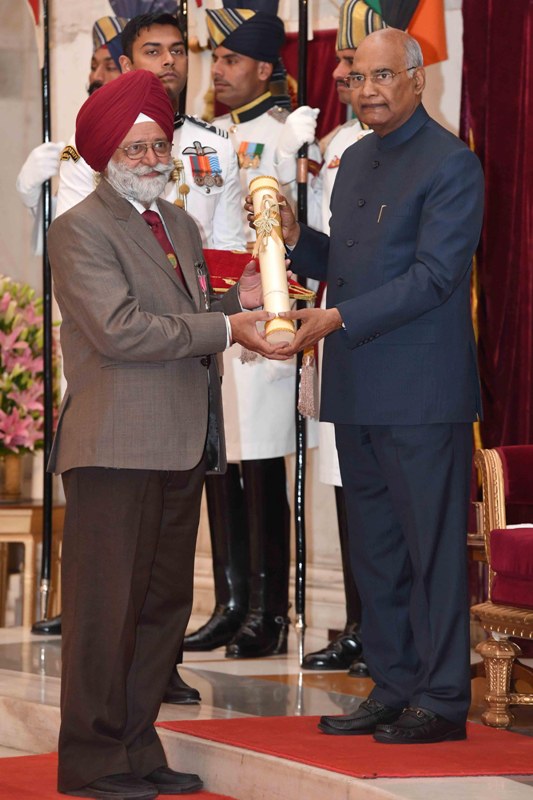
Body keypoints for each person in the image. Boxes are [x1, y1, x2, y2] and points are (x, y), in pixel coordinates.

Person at [48, 69, 284, 799]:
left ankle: (137, 744)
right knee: (104, 612)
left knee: (159, 611)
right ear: (105, 154)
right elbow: (119, 330)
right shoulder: (78, 229)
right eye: (137, 149)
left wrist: (234, 297)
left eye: (160, 146)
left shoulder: (177, 223)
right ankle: (92, 761)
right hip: (114, 448)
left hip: (183, 440)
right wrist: (224, 323)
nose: (153, 161)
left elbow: (181, 308)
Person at [263, 28, 484, 743]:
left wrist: (334, 317)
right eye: (356, 79)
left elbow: (432, 277)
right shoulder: (352, 160)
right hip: (354, 383)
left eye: (382, 77)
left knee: (431, 550)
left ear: (418, 79)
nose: (367, 92)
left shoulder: (452, 165)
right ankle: (391, 686)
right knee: (375, 552)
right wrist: (297, 239)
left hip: (421, 393)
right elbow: (351, 262)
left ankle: (443, 697)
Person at [181, 3, 320, 659]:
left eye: (231, 58)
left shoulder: (287, 132)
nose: (220, 70)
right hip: (218, 312)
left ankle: (271, 610)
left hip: (268, 307)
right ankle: (231, 600)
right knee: (223, 456)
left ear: (265, 66)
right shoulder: (208, 136)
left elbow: (304, 231)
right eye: (216, 58)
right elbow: (203, 225)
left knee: (263, 458)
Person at [302, 0, 384, 677]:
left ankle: (384, 631)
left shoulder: (429, 150)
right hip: (336, 339)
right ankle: (359, 623)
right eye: (346, 69)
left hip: (386, 348)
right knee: (343, 486)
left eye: (362, 69)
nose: (351, 82)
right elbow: (337, 254)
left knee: (389, 506)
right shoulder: (332, 148)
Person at [56, 12, 244, 254]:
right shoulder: (94, 142)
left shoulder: (215, 143)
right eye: (153, 52)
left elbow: (229, 248)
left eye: (177, 51)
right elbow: (75, 240)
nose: (168, 60)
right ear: (127, 65)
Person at [15, 15, 127, 255]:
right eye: (93, 66)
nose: (96, 77)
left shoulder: (144, 137)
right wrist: (34, 197)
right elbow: (66, 219)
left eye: (109, 67)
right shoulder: (80, 138)